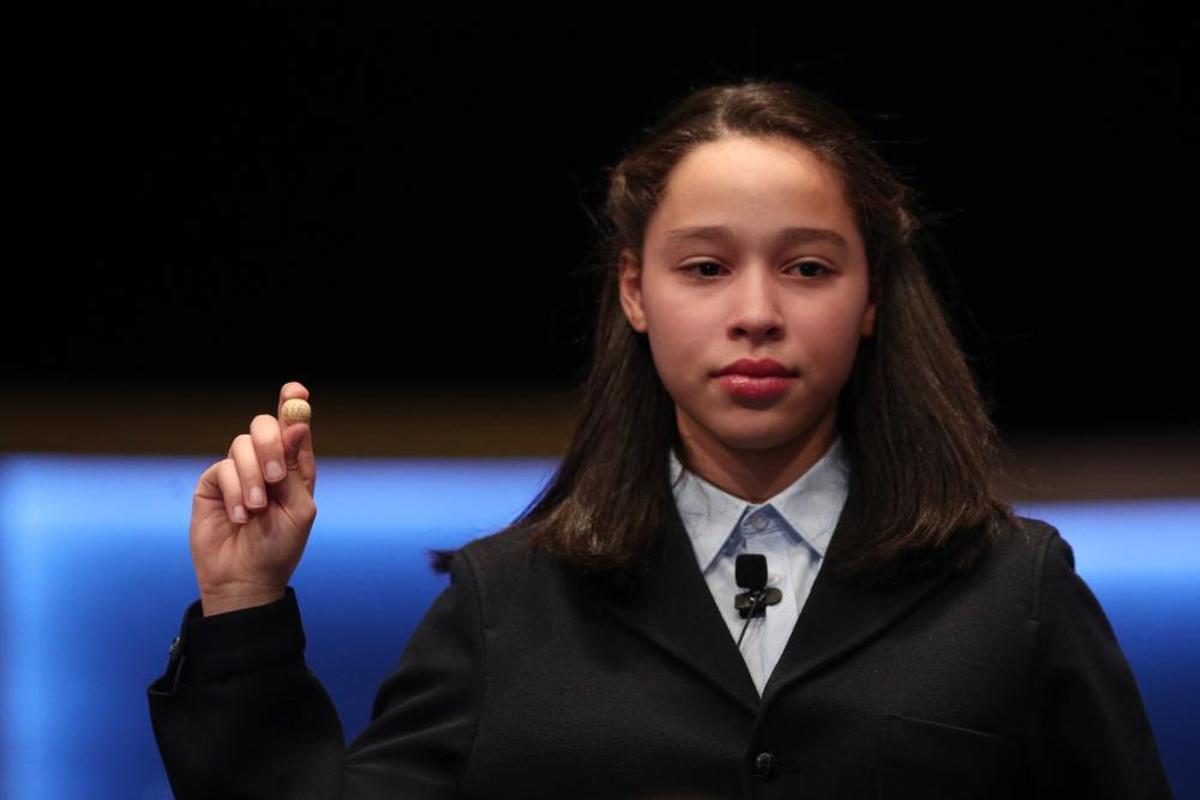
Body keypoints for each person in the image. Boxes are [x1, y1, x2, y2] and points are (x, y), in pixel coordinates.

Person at [147, 80, 1173, 799]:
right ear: (636, 291)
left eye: (809, 268)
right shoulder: (506, 604)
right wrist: (244, 606)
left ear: (871, 299)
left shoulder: (1013, 590)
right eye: (705, 268)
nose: (757, 314)